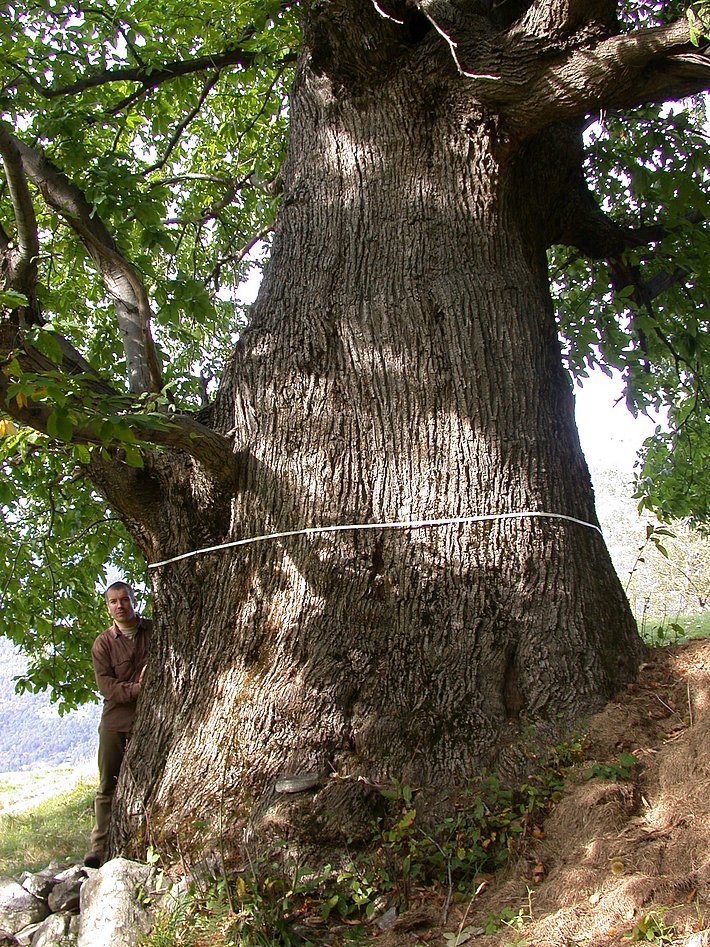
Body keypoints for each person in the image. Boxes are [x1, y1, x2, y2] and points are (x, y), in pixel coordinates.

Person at [84, 581, 152, 868]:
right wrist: (139, 688)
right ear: (108, 606)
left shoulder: (154, 631)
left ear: (133, 601)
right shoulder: (103, 643)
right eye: (113, 601)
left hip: (151, 719)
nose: (119, 605)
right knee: (107, 785)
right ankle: (99, 847)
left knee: (149, 780)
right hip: (115, 721)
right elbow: (108, 688)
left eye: (124, 599)